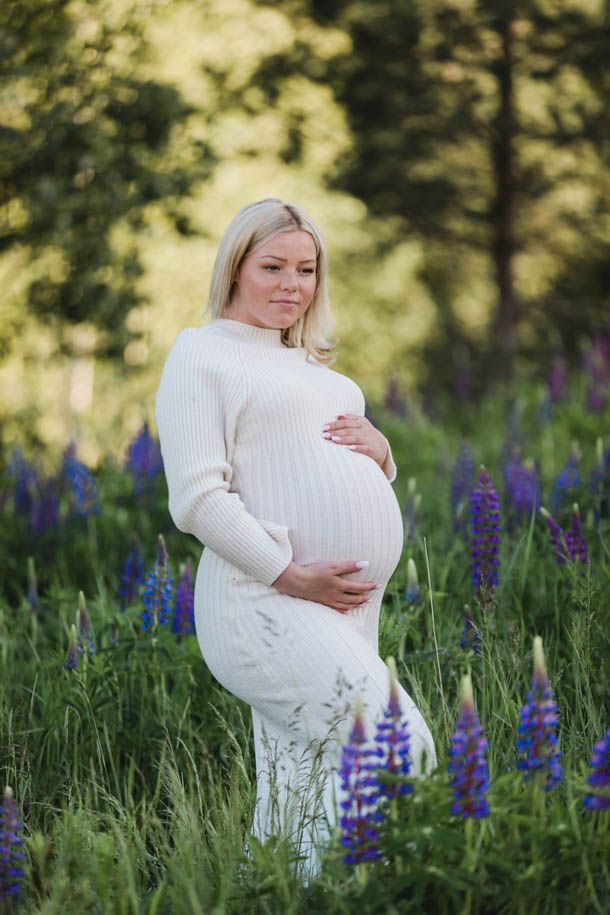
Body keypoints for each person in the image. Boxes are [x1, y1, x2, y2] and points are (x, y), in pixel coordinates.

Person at [154, 197, 437, 878]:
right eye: (272, 266)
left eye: (306, 270)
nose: (292, 284)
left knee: (300, 790)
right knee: (398, 748)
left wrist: (383, 453)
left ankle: (290, 892)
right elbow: (197, 498)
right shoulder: (202, 353)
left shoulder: (319, 372)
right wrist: (289, 573)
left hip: (342, 608)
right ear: (235, 268)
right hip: (263, 602)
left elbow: (319, 468)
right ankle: (363, 889)